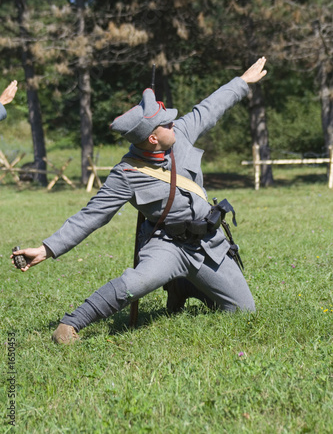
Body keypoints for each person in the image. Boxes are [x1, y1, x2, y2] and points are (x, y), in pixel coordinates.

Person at [12, 57, 267, 344]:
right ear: (153, 139)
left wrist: (241, 82)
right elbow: (90, 217)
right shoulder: (126, 173)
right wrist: (47, 249)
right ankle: (71, 324)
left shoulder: (180, 133)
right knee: (137, 282)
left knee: (244, 311)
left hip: (207, 244)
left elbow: (210, 107)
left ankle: (183, 286)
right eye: (166, 123)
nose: (175, 123)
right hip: (167, 245)